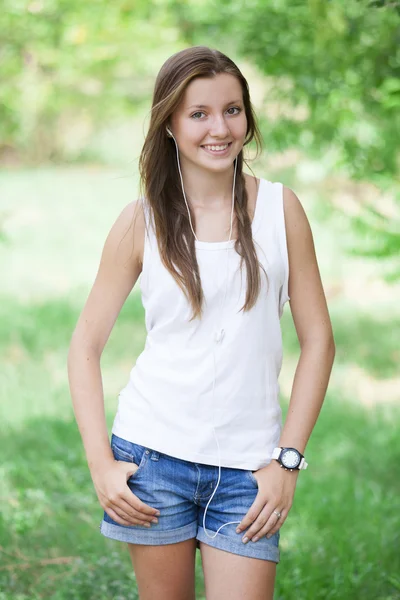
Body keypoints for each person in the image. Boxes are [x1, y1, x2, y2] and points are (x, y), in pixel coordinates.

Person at [67, 46, 335, 600]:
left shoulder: (281, 211)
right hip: (151, 461)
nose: (220, 128)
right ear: (169, 122)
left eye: (232, 110)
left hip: (249, 471)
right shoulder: (140, 221)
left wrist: (287, 460)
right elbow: (85, 347)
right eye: (199, 113)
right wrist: (101, 463)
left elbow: (319, 342)